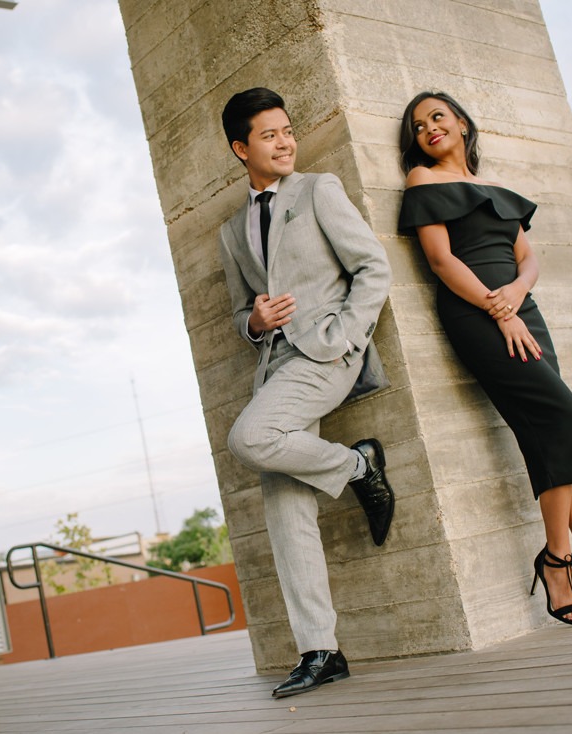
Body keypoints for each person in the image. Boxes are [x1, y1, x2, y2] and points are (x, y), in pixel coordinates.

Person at [396, 91, 572, 627]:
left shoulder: (495, 189)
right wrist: (500, 310)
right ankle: (562, 562)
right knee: (567, 420)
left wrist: (517, 294)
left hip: (522, 308)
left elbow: (528, 256)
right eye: (419, 126)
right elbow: (441, 261)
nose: (429, 129)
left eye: (438, 117)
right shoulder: (422, 180)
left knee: (554, 435)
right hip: (478, 317)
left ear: (462, 123)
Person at [218, 88, 395, 698]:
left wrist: (347, 336)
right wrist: (255, 323)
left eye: (287, 130)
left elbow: (373, 267)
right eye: (269, 135)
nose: (285, 141)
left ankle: (359, 464)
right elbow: (241, 310)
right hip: (275, 364)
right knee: (285, 509)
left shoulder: (319, 190)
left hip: (325, 355)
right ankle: (321, 649)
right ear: (241, 149)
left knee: (250, 437)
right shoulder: (232, 231)